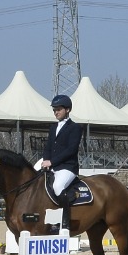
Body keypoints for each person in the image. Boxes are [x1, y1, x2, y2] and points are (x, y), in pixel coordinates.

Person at [34, 94, 83, 234]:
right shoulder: (53, 127)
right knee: (33, 177)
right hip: (52, 164)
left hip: (68, 166)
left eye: (58, 109)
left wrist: (52, 161)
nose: (56, 112)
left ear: (67, 110)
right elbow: (48, 147)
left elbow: (71, 150)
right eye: (54, 110)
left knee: (57, 186)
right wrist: (45, 161)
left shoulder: (75, 128)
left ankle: (65, 222)